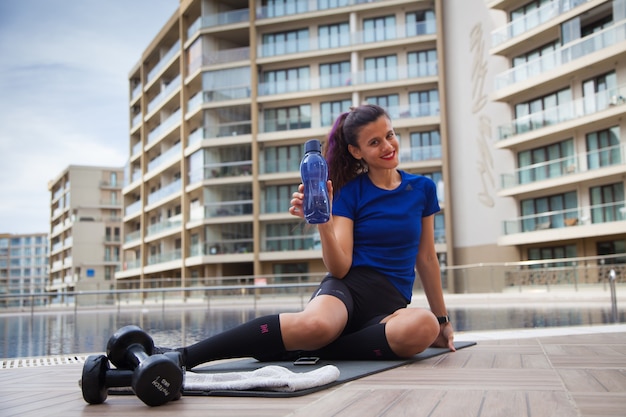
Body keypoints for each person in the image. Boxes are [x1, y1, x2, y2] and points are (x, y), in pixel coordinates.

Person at [155, 104, 454, 369]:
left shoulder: (422, 189)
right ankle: (183, 356)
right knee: (315, 326)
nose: (388, 146)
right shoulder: (350, 193)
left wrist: (442, 321)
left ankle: (304, 349)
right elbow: (339, 268)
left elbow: (426, 258)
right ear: (356, 151)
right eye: (374, 142)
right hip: (348, 291)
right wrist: (324, 220)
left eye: (390, 135)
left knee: (423, 326)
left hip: (391, 306)